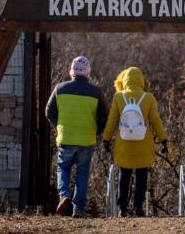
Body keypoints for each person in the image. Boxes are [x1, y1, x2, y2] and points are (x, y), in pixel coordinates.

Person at [45, 56, 108, 218]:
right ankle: (78, 209)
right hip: (86, 140)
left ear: (71, 71)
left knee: (63, 167)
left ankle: (64, 195)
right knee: (82, 173)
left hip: (66, 137)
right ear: (88, 73)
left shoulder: (60, 88)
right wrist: (96, 131)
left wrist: (59, 126)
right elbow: (104, 116)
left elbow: (49, 112)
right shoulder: (96, 92)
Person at [102, 67, 169, 217]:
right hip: (143, 143)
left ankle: (122, 209)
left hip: (124, 143)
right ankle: (138, 206)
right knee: (141, 177)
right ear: (141, 80)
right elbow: (155, 121)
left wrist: (106, 139)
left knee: (124, 177)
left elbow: (112, 121)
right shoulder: (149, 97)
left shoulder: (118, 97)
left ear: (124, 80)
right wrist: (164, 139)